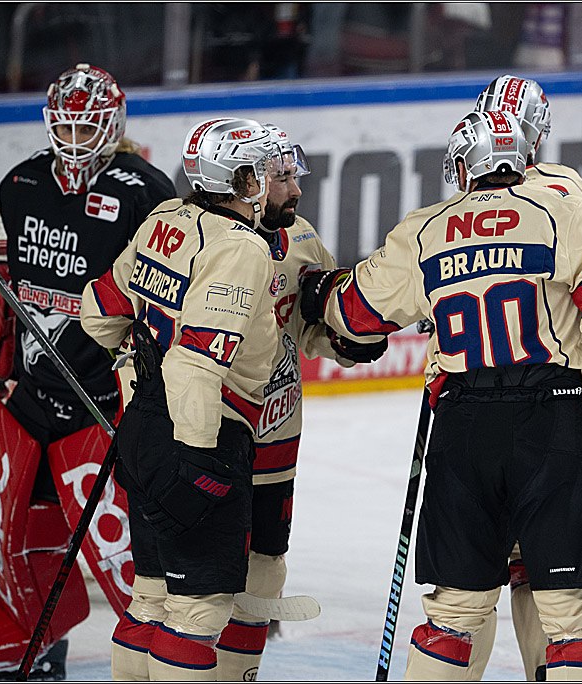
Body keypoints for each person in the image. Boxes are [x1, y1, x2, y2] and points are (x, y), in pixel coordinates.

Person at [300, 110, 582, 681]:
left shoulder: (425, 228)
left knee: (454, 613)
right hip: (552, 422)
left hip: (463, 426)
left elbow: (355, 315)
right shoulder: (569, 214)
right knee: (571, 617)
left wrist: (318, 291)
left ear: (464, 166)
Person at [0, 63, 175, 681]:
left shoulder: (145, 192)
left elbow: (164, 300)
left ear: (113, 124)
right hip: (34, 396)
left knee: (124, 552)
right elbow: (16, 281)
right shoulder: (19, 184)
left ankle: (176, 651)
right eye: (65, 125)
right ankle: (39, 648)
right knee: (19, 536)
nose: (74, 138)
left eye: (87, 125)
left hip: (104, 404)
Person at [80, 117, 293, 681]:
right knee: (197, 612)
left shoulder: (165, 217)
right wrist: (198, 460)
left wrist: (140, 375)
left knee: (150, 597)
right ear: (243, 180)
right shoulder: (242, 247)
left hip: (142, 426)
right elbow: (196, 363)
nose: (275, 179)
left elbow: (99, 313)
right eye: (265, 170)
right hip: (200, 433)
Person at [213, 123, 387, 681]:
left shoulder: (302, 238)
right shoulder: (205, 240)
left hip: (276, 432)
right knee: (193, 583)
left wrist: (350, 335)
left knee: (265, 569)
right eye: (284, 178)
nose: (297, 189)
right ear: (249, 182)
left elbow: (312, 328)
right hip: (208, 435)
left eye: (294, 176)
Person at [473, 73, 582, 681]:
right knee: (543, 568)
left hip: (471, 401)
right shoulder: (565, 188)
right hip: (553, 399)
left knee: (467, 581)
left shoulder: (463, 199)